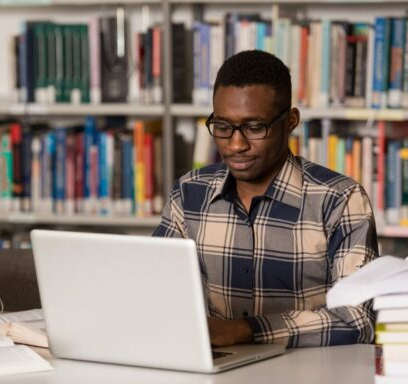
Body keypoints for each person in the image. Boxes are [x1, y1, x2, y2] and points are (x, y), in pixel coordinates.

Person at [153, 50, 378, 348]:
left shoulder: (340, 200)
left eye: (254, 127)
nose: (236, 145)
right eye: (222, 127)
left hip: (309, 374)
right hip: (216, 370)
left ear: (290, 122)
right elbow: (155, 291)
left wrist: (245, 329)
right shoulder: (189, 193)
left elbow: (357, 319)